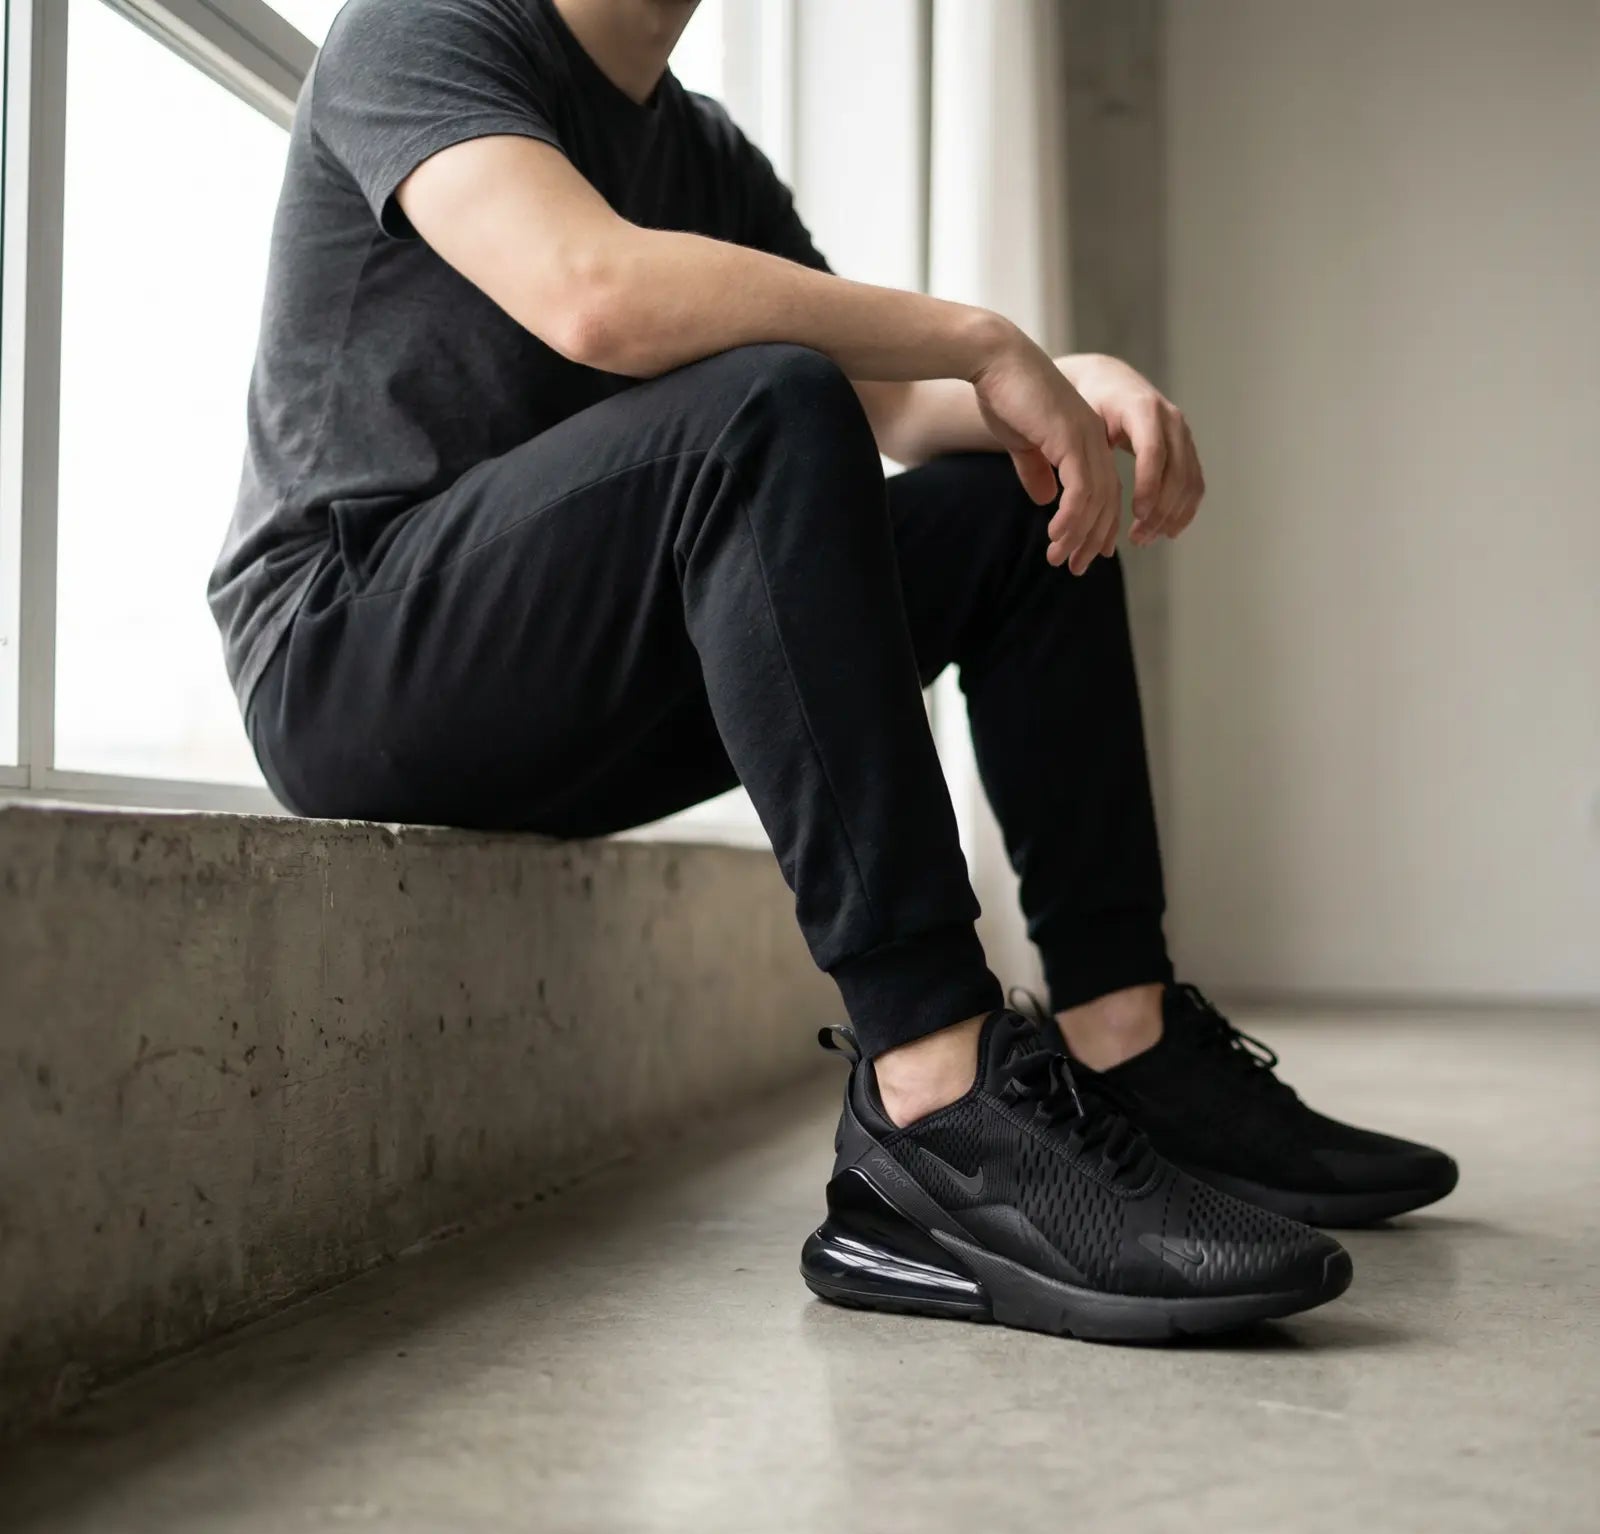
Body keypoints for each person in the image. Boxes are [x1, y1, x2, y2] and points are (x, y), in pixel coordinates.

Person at [211, 0, 1457, 1341]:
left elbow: (896, 408)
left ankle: (1125, 1042)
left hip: (576, 683)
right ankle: (928, 1094)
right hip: (349, 653)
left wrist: (1060, 379)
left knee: (1005, 510)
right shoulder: (426, 26)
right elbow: (595, 291)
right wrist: (981, 336)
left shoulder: (705, 154)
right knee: (764, 399)